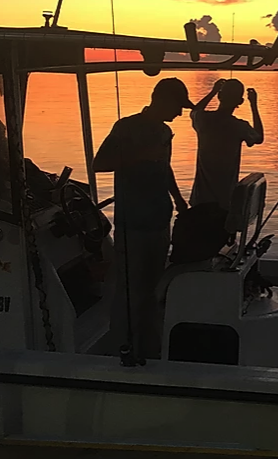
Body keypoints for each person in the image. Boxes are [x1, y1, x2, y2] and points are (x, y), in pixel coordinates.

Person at [93, 77, 192, 359]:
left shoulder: (165, 131)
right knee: (129, 293)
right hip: (132, 225)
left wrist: (179, 199)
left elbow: (165, 166)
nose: (180, 113)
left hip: (160, 222)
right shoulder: (126, 127)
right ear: (161, 99)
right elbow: (100, 164)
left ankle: (148, 349)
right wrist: (141, 155)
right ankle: (120, 349)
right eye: (178, 105)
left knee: (152, 291)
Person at [189, 79, 264, 213]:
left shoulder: (204, 120)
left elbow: (194, 111)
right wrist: (253, 105)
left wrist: (212, 91)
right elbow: (258, 137)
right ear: (240, 102)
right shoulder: (239, 126)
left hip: (200, 199)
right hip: (225, 200)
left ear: (219, 96)